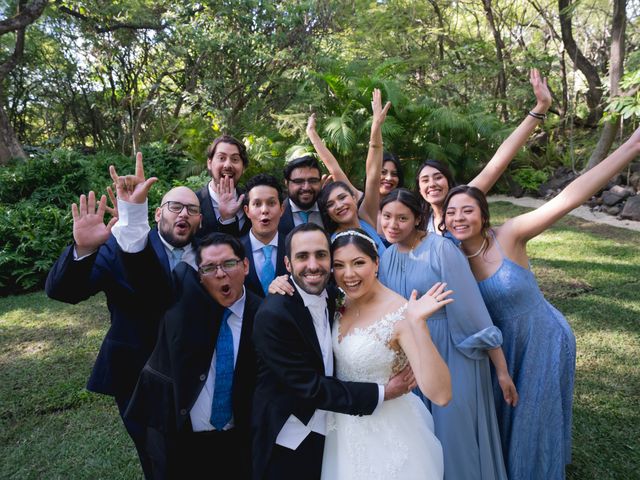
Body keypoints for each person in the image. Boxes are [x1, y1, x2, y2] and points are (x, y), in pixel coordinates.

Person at [441, 126, 640, 479]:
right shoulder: (448, 257)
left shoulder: (510, 235)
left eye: (467, 210)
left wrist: (630, 146)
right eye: (451, 212)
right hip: (500, 349)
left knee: (532, 420)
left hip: (543, 338)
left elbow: (570, 197)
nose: (459, 218)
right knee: (505, 415)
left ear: (483, 214)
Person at [45, 154, 202, 479]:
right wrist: (84, 249)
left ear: (201, 220)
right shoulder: (120, 246)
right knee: (158, 461)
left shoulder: (209, 253)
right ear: (158, 213)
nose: (184, 213)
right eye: (175, 206)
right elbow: (64, 292)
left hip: (195, 376)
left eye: (193, 209)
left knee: (194, 454)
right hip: (138, 375)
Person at [109, 158, 261, 479]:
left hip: (239, 435)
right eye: (209, 269)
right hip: (176, 420)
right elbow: (147, 280)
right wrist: (132, 214)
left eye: (191, 209)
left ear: (245, 267)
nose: (219, 273)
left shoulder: (258, 310)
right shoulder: (180, 283)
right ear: (198, 274)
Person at [251, 222, 415, 480]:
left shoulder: (333, 295)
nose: (313, 265)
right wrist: (383, 392)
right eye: (302, 257)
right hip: (288, 436)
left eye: (321, 255)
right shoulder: (273, 315)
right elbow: (309, 387)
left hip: (335, 430)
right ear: (288, 263)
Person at [378, 187, 517, 480]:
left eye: (402, 218)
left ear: (418, 218)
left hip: (454, 350)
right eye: (387, 216)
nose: (392, 224)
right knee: (423, 437)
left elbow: (473, 310)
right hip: (413, 356)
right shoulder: (386, 256)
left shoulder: (442, 249)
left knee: (455, 438)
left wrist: (501, 370)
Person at [321, 229, 452, 480]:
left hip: (387, 436)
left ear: (376, 262)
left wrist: (417, 324)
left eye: (359, 263)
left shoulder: (400, 313)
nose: (348, 274)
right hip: (339, 429)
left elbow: (442, 395)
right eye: (339, 265)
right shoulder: (339, 300)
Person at [417, 68, 552, 235]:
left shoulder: (465, 197)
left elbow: (500, 160)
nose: (432, 184)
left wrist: (540, 108)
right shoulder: (419, 221)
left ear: (448, 181)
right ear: (419, 188)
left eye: (438, 177)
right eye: (425, 180)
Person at [316, 88, 390, 254]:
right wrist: (313, 136)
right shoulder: (333, 243)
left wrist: (376, 126)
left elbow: (373, 175)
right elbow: (333, 168)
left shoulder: (366, 218)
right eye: (330, 204)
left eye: (342, 197)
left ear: (354, 198)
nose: (339, 205)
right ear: (327, 213)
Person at [240, 173, 288, 297]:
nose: (264, 210)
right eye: (257, 204)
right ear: (247, 211)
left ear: (282, 209)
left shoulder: (293, 248)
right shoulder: (235, 250)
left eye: (271, 203)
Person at [196, 134, 251, 239]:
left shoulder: (252, 201)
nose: (227, 165)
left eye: (235, 159)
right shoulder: (193, 203)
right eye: (221, 158)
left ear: (243, 167)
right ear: (209, 163)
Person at [278, 155, 325, 236]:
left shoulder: (331, 211)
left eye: (313, 181)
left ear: (320, 182)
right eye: (298, 181)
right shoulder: (276, 216)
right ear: (287, 183)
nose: (306, 187)